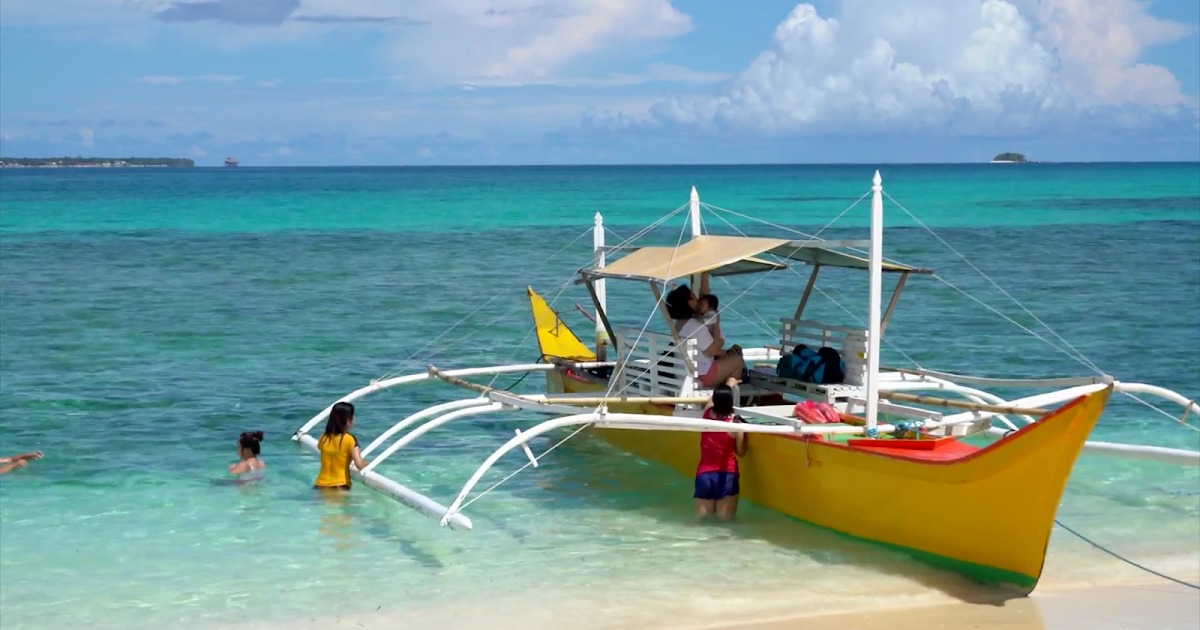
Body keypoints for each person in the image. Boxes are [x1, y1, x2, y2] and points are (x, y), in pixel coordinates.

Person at [694, 385, 747, 520]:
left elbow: (711, 400)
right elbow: (741, 452)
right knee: (726, 525)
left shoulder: (706, 415)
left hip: (704, 475)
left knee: (702, 521)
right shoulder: (735, 425)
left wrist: (728, 384)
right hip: (727, 475)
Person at [314, 401, 369, 490]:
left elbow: (322, 449)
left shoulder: (323, 437)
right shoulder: (349, 439)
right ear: (349, 420)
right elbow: (359, 464)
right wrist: (371, 464)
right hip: (339, 487)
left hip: (319, 486)